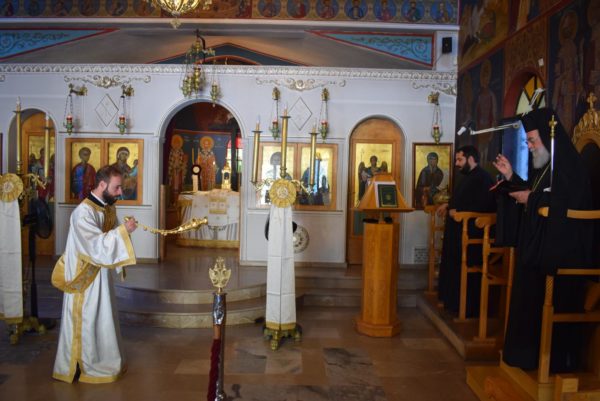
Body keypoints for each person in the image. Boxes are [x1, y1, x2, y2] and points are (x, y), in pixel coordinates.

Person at [493, 107, 594, 372]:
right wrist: (511, 177)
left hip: (563, 249)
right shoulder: (544, 166)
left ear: (550, 137)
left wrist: (532, 198)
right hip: (541, 245)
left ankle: (547, 359)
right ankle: (526, 356)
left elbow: (569, 203)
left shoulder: (570, 166)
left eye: (532, 141)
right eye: (527, 141)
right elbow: (536, 194)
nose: (529, 146)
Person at [52, 165, 137, 383]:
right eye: (116, 187)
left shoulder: (106, 208)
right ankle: (82, 365)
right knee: (87, 319)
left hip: (100, 273)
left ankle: (100, 360)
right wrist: (123, 232)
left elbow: (112, 237)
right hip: (84, 278)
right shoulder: (83, 213)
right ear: (102, 185)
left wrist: (122, 232)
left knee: (102, 317)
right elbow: (95, 245)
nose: (120, 192)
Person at [436, 145, 496, 316]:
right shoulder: (469, 176)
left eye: (460, 160)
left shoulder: (483, 178)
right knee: (452, 265)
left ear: (470, 159)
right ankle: (452, 302)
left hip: (472, 237)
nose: (457, 163)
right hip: (458, 233)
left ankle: (464, 307)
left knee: (461, 268)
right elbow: (461, 200)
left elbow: (482, 206)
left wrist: (458, 211)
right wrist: (449, 205)